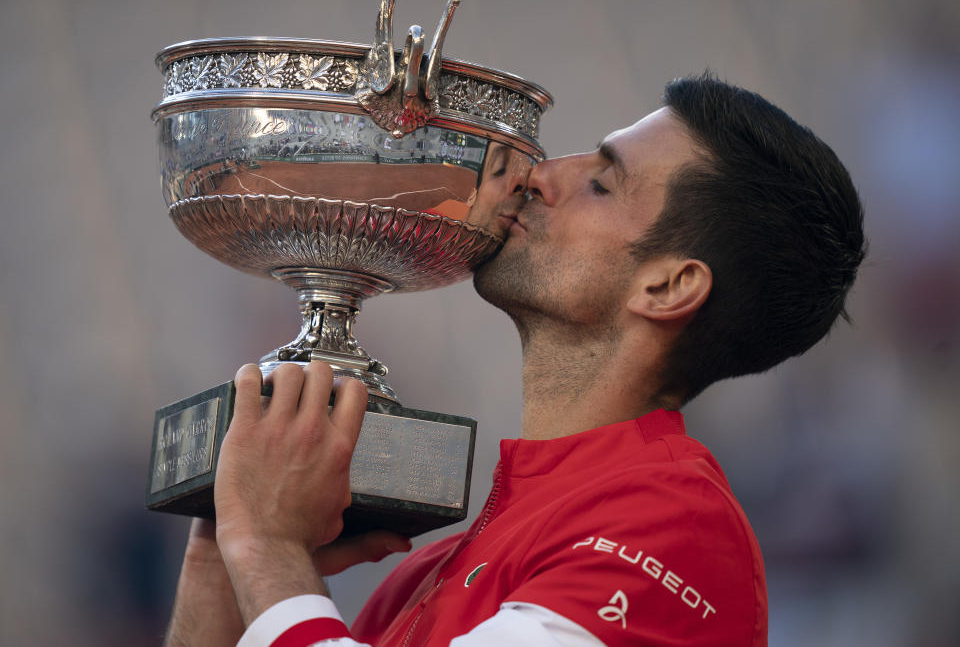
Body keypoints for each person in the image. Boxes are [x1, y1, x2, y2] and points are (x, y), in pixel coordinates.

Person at [163, 74, 865, 647]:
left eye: (601, 182)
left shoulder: (675, 529)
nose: (539, 174)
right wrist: (221, 566)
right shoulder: (437, 571)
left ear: (669, 285)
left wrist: (268, 548)